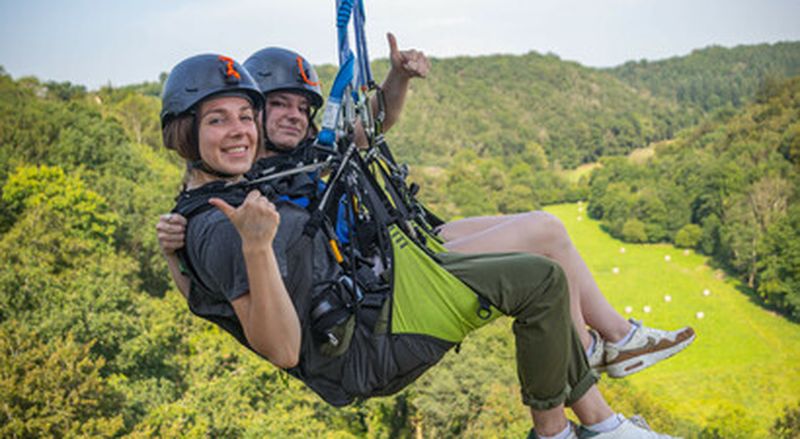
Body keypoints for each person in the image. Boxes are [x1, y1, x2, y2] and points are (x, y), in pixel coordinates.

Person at [158, 51, 678, 438]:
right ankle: (573, 422)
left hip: (376, 284)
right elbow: (272, 338)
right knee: (542, 278)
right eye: (221, 120)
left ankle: (598, 381)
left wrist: (397, 78)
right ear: (187, 132)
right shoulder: (234, 212)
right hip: (366, 331)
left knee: (544, 241)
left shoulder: (251, 183)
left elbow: (369, 129)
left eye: (244, 117)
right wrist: (227, 246)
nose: (241, 130)